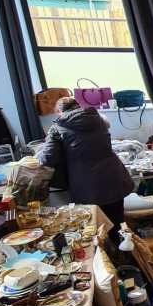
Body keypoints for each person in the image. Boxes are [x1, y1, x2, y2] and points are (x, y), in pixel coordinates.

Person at [37, 97, 134, 249]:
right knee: (118, 221)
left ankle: (105, 262)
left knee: (93, 226)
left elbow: (48, 158)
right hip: (113, 176)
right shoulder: (98, 119)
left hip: (87, 183)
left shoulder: (57, 127)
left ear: (59, 112)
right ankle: (128, 257)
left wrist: (38, 154)